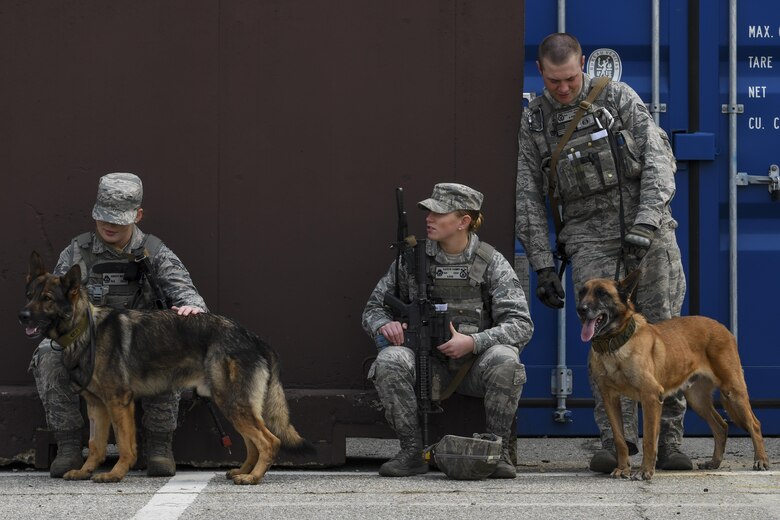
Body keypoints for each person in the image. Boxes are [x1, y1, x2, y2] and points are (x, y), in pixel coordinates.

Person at [515, 33, 690, 473]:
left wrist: (646, 225)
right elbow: (529, 195)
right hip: (588, 239)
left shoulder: (617, 97)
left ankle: (667, 443)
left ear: (583, 66)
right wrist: (541, 264)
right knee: (602, 346)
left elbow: (658, 160)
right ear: (541, 72)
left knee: (666, 335)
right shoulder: (534, 121)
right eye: (554, 81)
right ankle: (618, 445)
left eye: (571, 78)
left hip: (645, 234)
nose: (563, 89)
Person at [29, 172, 208, 478]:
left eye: (118, 219)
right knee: (48, 354)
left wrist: (193, 307)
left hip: (138, 346)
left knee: (168, 353)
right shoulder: (78, 251)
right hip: (85, 343)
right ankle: (70, 445)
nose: (109, 225)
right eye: (103, 217)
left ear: (137, 215)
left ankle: (159, 446)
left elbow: (187, 293)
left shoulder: (154, 251)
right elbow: (54, 298)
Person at [362, 183, 533, 478]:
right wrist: (383, 324)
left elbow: (521, 325)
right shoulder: (413, 260)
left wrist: (473, 342)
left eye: (439, 213)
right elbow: (373, 309)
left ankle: (497, 453)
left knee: (507, 360)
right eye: (428, 212)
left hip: (472, 368)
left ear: (463, 222)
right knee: (389, 360)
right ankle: (411, 452)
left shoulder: (490, 262)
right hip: (424, 365)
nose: (429, 218)